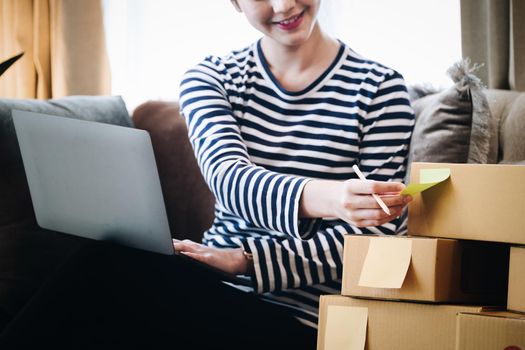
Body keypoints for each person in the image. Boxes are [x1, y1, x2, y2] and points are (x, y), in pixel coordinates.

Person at [0, 1, 414, 349]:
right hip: (209, 288)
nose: (284, 5)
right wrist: (331, 198)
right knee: (106, 265)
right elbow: (228, 178)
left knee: (103, 276)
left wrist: (248, 261)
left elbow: (375, 243)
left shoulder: (380, 89)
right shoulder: (212, 77)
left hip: (306, 321)